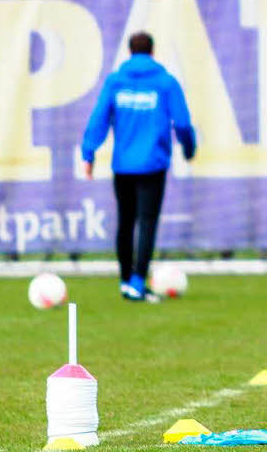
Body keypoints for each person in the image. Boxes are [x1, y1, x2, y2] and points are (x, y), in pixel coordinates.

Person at [81, 31, 196, 302]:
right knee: (146, 223)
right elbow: (182, 122)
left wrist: (89, 152)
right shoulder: (166, 83)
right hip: (152, 165)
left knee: (125, 221)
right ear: (153, 52)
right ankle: (136, 283)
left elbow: (99, 118)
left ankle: (124, 280)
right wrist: (189, 148)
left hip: (123, 165)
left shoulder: (116, 81)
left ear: (129, 52)